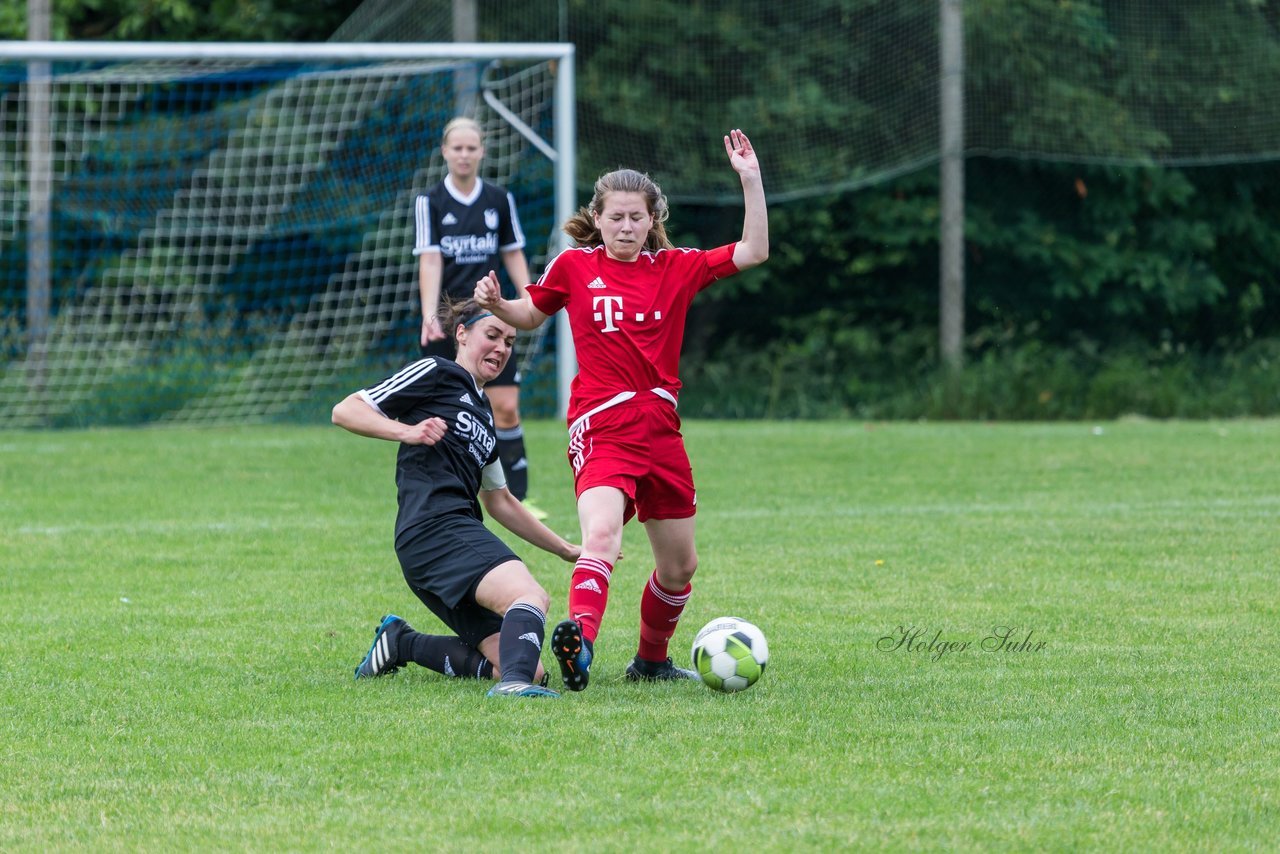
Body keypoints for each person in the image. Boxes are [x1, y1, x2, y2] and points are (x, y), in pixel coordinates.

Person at [474, 129, 768, 692]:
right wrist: (497, 305)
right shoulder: (573, 267)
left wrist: (750, 180)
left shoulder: (676, 267)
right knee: (602, 536)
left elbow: (754, 250)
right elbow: (530, 313)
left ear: (652, 219)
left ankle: (650, 661)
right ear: (599, 219)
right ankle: (579, 642)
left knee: (680, 568)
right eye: (616, 218)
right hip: (602, 423)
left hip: (661, 429)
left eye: (637, 218)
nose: (626, 227)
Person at [332, 299, 580, 699]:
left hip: (431, 547)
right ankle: (513, 689)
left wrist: (566, 549)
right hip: (436, 527)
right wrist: (406, 432)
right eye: (492, 335)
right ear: (462, 334)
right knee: (528, 595)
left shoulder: (484, 414)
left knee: (527, 665)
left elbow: (500, 500)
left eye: (510, 342)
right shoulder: (438, 371)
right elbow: (345, 410)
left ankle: (401, 643)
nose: (501, 348)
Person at [413, 117, 546, 520]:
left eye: (472, 148)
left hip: (491, 314)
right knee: (445, 407)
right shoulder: (430, 201)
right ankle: (445, 495)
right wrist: (428, 313)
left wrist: (530, 297)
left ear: (482, 152)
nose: (465, 155)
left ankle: (519, 498)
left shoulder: (498, 199)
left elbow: (512, 251)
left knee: (505, 407)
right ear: (445, 152)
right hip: (449, 317)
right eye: (458, 148)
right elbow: (431, 258)